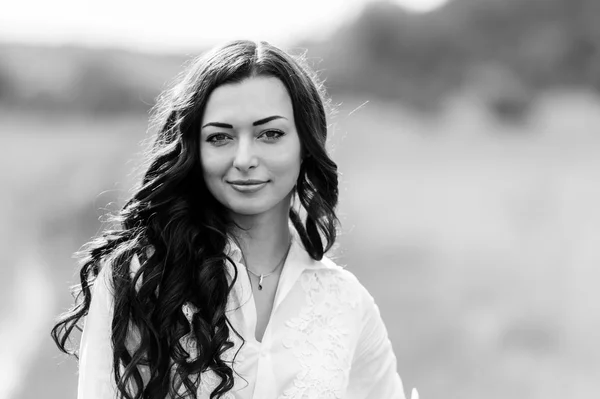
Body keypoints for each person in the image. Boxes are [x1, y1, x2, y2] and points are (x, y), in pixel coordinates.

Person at [52, 39, 414, 399]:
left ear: (306, 144)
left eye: (270, 134)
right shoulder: (138, 280)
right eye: (220, 137)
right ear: (194, 149)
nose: (244, 158)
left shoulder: (347, 301)